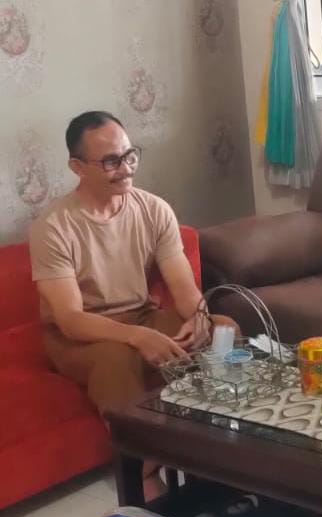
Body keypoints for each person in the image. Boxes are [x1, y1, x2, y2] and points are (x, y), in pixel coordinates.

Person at [29, 110, 239, 494]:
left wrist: (200, 316)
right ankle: (143, 475)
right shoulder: (53, 227)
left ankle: (223, 446)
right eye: (111, 161)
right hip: (80, 335)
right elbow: (71, 319)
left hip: (140, 315)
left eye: (129, 155)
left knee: (224, 330)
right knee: (118, 357)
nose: (126, 168)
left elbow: (184, 287)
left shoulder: (153, 208)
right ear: (77, 167)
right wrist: (137, 337)